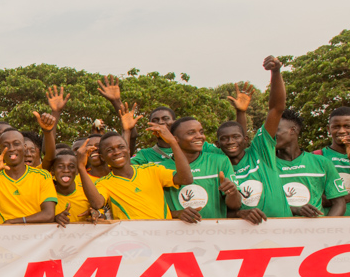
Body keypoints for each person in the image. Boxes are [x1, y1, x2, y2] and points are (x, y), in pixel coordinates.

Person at [120, 110, 240, 222]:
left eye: (201, 132)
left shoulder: (220, 161)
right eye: (191, 133)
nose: (199, 136)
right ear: (175, 139)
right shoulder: (159, 169)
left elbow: (235, 205)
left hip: (215, 234)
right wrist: (177, 214)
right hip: (175, 237)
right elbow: (124, 170)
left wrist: (232, 192)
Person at [218, 56, 291, 224]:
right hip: (243, 237)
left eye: (235, 137)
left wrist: (276, 71)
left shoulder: (261, 150)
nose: (230, 142)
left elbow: (276, 108)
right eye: (224, 139)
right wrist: (239, 214)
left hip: (285, 229)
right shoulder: (219, 164)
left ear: (246, 139)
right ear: (218, 144)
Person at [79, 124, 193, 220]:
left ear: (128, 150)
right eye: (109, 150)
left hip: (162, 236)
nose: (116, 152)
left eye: (120, 147)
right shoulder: (104, 183)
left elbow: (186, 179)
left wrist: (172, 142)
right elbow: (97, 203)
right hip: (133, 241)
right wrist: (80, 166)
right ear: (103, 157)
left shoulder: (152, 170)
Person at [0, 130, 58, 224]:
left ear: (24, 147)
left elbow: (49, 214)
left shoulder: (42, 176)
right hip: (5, 236)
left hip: (37, 236)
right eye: (5, 145)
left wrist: (15, 222)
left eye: (16, 144)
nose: (11, 148)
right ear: (0, 149)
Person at [275, 109, 347, 217]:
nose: (269, 135)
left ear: (293, 130)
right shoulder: (264, 165)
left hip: (316, 232)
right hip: (278, 231)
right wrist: (295, 209)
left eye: (276, 130)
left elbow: (339, 203)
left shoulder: (321, 162)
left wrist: (324, 229)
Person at [50, 149, 93, 226]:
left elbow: (101, 214)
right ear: (53, 170)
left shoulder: (87, 192)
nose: (66, 170)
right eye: (60, 166)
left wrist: (96, 213)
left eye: (71, 166)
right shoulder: (46, 194)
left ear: (77, 170)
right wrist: (54, 219)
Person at [315, 106, 350, 190]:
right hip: (334, 203)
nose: (341, 131)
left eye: (347, 126)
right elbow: (316, 192)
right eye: (336, 127)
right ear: (328, 129)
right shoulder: (317, 156)